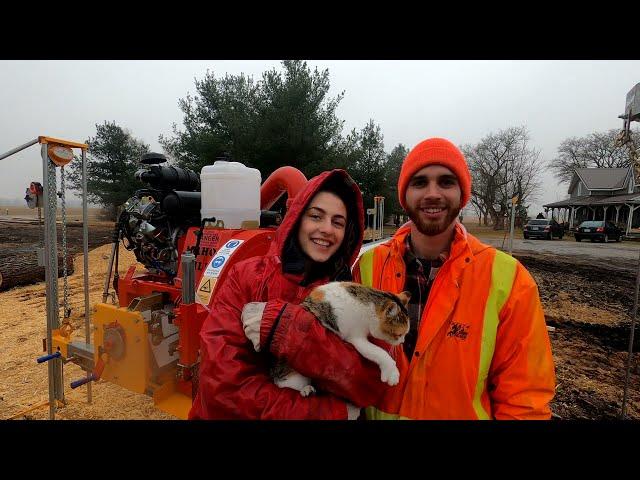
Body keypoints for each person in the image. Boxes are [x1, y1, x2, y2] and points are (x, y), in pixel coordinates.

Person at [243, 137, 556, 420]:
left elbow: (525, 398)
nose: (432, 193)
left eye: (446, 182)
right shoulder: (366, 267)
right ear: (405, 195)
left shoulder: (509, 279)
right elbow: (335, 360)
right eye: (420, 182)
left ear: (462, 194)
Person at [189, 169, 386, 419]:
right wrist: (324, 412)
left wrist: (292, 330)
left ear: (347, 233)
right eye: (316, 216)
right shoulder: (247, 278)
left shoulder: (350, 293)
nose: (327, 229)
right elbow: (223, 387)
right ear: (297, 219)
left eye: (338, 222)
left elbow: (368, 382)